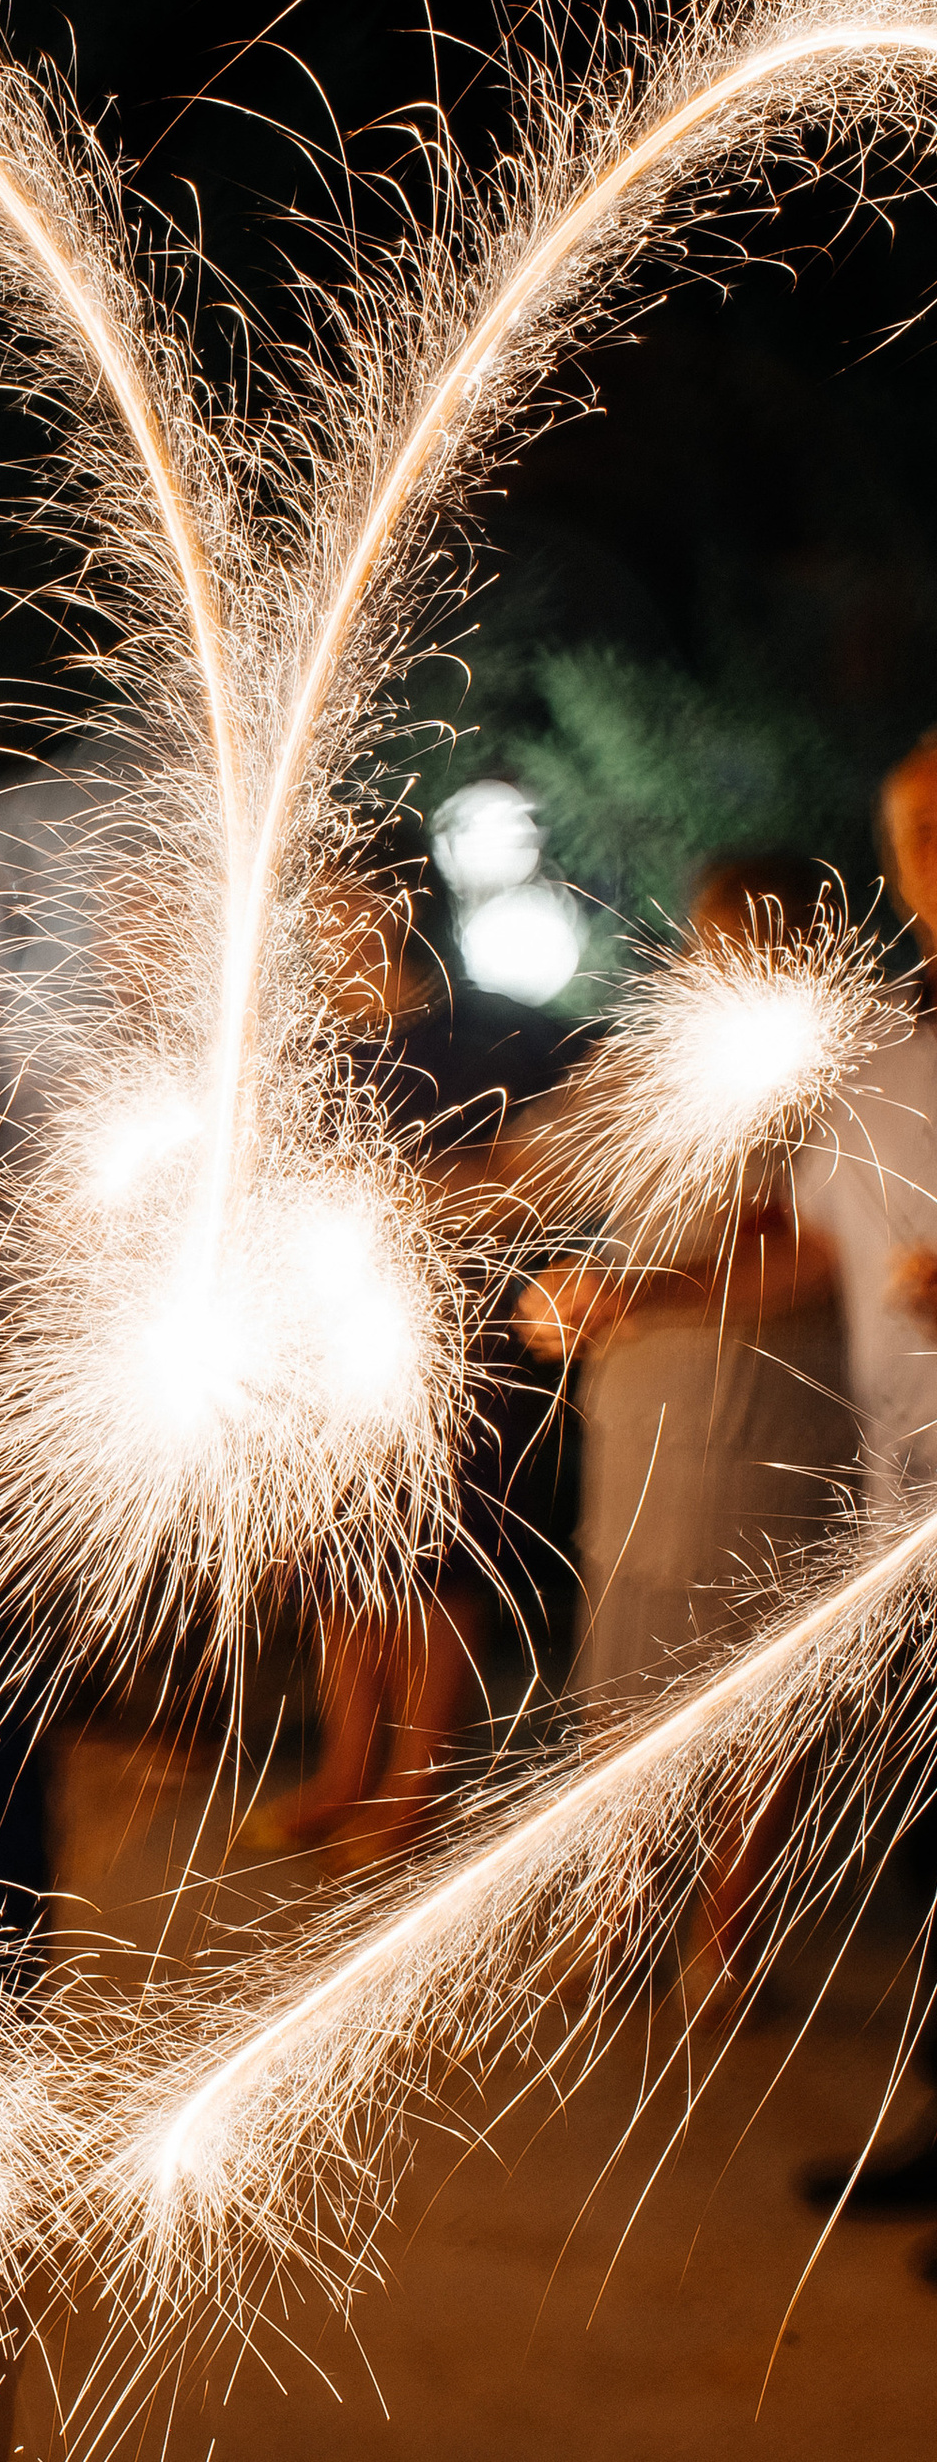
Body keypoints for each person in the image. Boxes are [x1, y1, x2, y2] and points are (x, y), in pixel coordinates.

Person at [513, 854, 854, 1996]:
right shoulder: (655, 1071)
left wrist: (646, 1293)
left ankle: (729, 1926)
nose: (717, 968)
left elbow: (820, 1251)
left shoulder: (848, 1077)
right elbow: (536, 1165)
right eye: (709, 944)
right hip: (643, 1409)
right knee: (624, 1667)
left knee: (756, 1671)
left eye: (744, 945)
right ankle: (622, 1915)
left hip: (774, 1409)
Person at [247, 830, 568, 1870]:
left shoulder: (485, 1034)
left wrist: (423, 1201)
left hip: (452, 1339)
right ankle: (346, 1767)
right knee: (339, 1559)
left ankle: (413, 1783)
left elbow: (537, 1173)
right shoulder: (303, 1052)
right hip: (321, 1338)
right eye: (317, 904)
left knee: (437, 1561)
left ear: (397, 904)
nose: (330, 925)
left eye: (349, 900)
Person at [779, 732, 937, 2275]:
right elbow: (815, 1257)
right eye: (914, 830)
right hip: (902, 1505)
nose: (931, 855)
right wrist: (628, 1291)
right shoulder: (887, 1058)